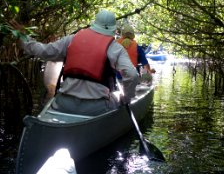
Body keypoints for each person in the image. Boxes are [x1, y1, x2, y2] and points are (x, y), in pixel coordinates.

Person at [11, 9, 139, 116]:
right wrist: (126, 98)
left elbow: (43, 51)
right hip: (96, 108)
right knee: (118, 96)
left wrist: (23, 37)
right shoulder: (115, 48)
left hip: (64, 103)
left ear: (94, 24)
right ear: (113, 29)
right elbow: (132, 75)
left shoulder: (72, 39)